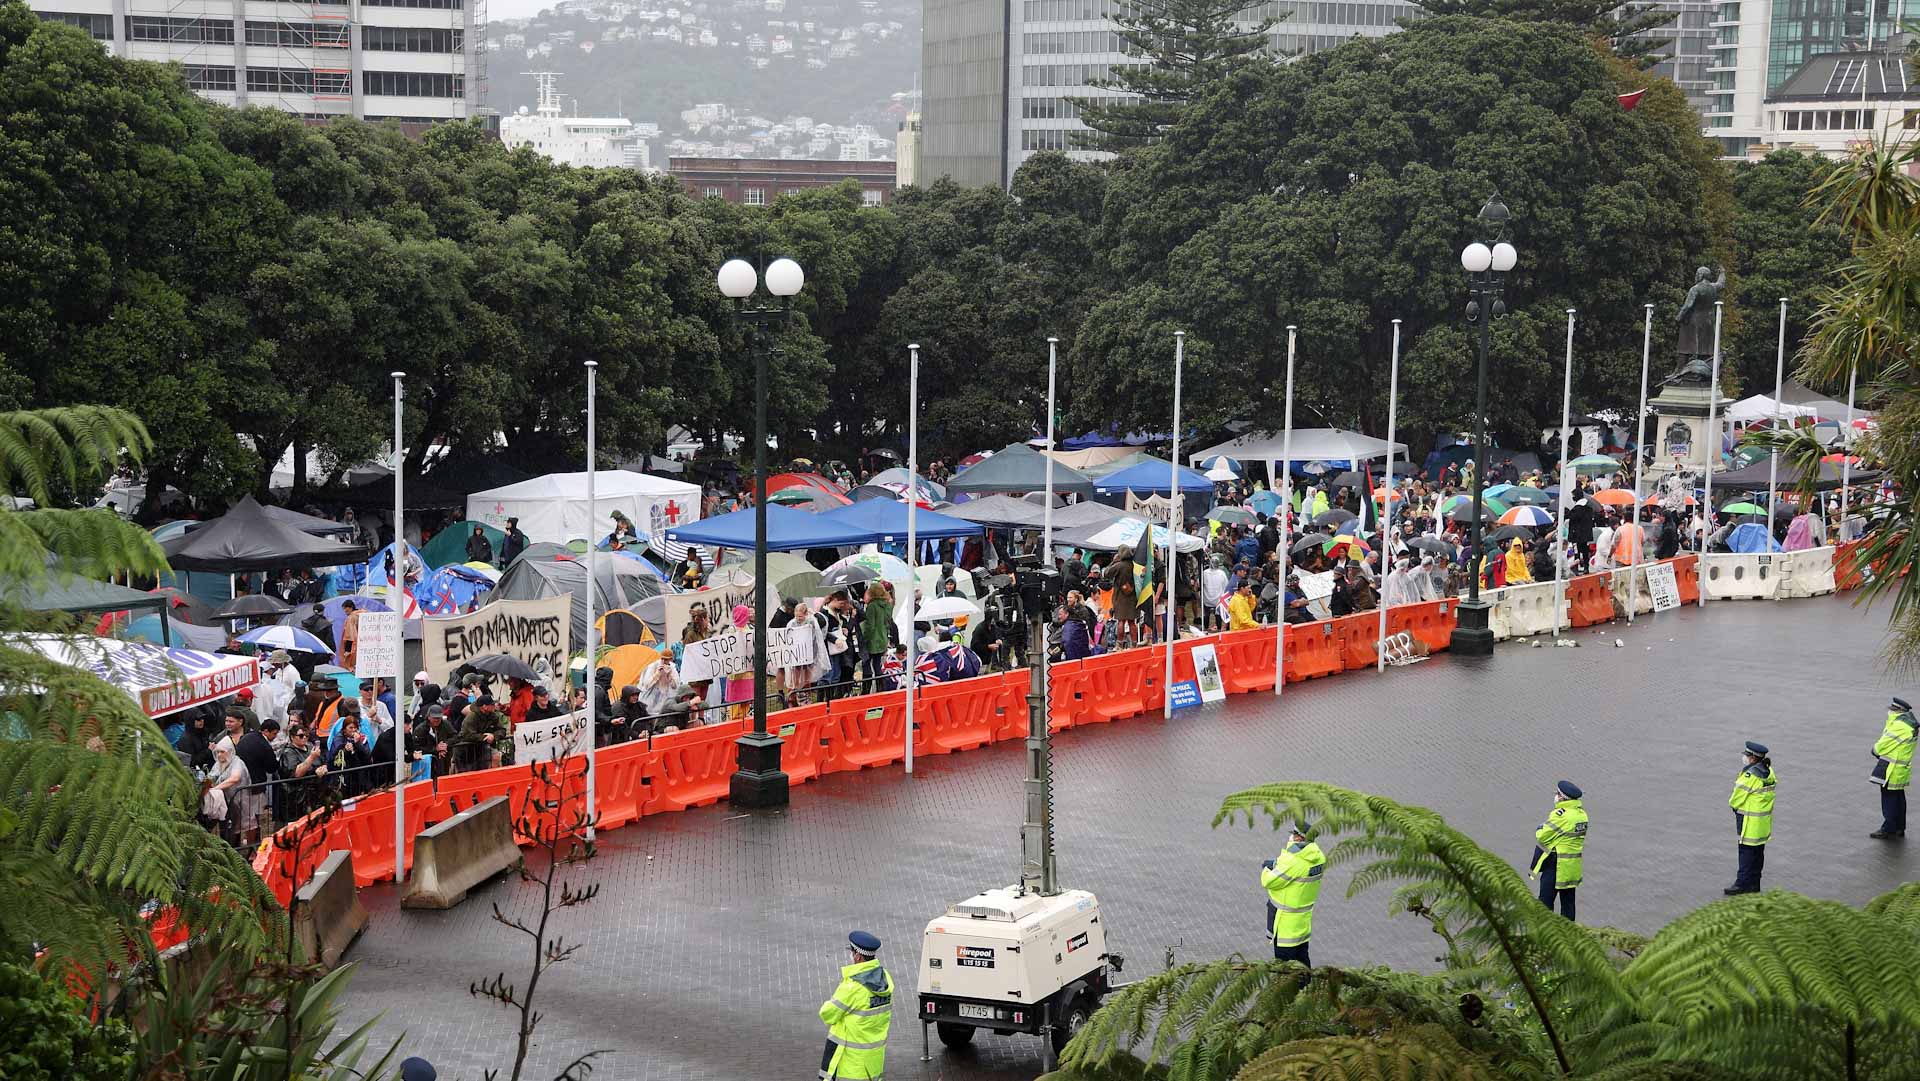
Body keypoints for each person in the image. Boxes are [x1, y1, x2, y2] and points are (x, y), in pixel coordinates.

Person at [817, 930, 893, 1081]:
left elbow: (827, 1014)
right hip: (874, 1060)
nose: (851, 956)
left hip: (851, 1064)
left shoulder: (852, 987)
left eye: (852, 952)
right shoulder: (885, 978)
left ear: (858, 956)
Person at [1260, 822, 1325, 966]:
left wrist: (1267, 868)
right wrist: (1278, 863)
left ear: (1300, 838)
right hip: (1302, 924)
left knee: (1285, 970)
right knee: (1303, 962)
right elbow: (1297, 874)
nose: (1291, 837)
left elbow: (1268, 881)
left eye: (1294, 834)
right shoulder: (1319, 857)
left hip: (1286, 928)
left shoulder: (1292, 860)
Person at [1529, 780, 1588, 921]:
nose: (1556, 796)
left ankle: (1545, 930)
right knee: (1568, 904)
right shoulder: (1582, 815)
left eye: (1557, 793)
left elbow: (1542, 836)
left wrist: (1539, 828)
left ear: (1563, 797)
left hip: (1556, 864)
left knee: (1544, 903)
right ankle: (1569, 932)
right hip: (1572, 866)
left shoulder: (1561, 815)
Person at [1726, 740, 1777, 894]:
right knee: (1758, 854)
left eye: (1747, 755)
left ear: (1753, 758)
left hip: (1749, 822)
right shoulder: (1769, 771)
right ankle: (1755, 884)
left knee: (1745, 853)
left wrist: (1734, 806)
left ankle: (1741, 884)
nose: (1745, 758)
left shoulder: (1750, 775)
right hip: (1763, 823)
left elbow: (1736, 797)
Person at [1870, 696, 1915, 839]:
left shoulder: (1899, 726)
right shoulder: (1909, 724)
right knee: (1899, 799)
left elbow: (1881, 746)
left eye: (1892, 709)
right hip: (1901, 768)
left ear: (1898, 711)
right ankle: (1899, 827)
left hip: (1891, 769)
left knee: (1889, 800)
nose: (1890, 711)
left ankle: (1888, 829)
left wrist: (1874, 750)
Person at [859, 582, 894, 693]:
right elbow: (888, 623)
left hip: (872, 640)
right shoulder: (888, 605)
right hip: (882, 638)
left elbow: (870, 626)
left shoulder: (872, 606)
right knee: (877, 665)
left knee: (866, 664)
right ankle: (880, 689)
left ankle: (866, 691)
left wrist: (864, 639)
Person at [339, 600, 361, 671]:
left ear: (351, 607)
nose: (345, 611)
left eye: (346, 609)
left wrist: (347, 650)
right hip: (364, 644)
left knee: (350, 666)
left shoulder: (351, 618)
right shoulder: (363, 615)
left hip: (353, 646)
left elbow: (349, 634)